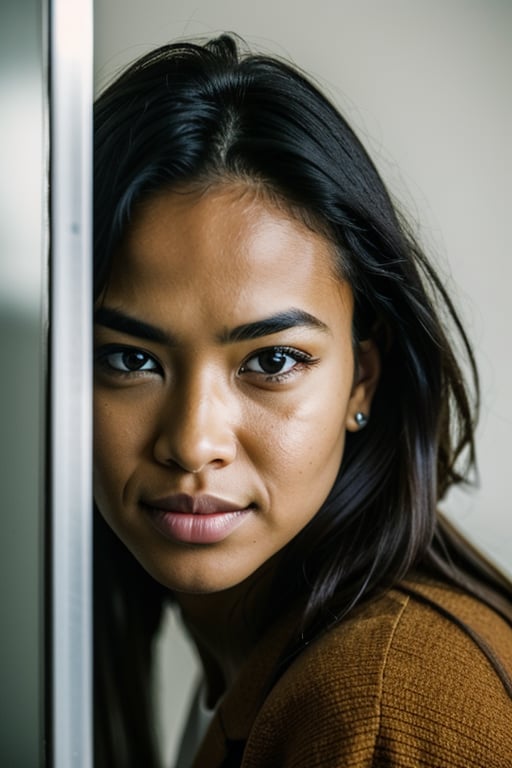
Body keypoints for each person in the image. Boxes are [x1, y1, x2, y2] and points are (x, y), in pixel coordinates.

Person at [92, 34, 512, 768]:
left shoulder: (384, 708)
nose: (193, 443)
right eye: (131, 359)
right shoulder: (262, 661)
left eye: (273, 361)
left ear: (362, 380)